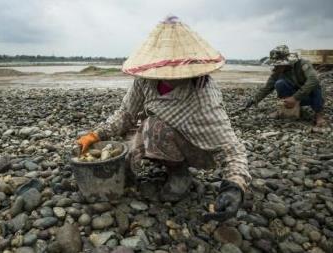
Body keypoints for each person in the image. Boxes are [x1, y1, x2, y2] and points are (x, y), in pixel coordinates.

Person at [77, 16, 251, 222]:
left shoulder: (202, 92)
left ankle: (180, 173)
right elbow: (126, 114)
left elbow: (230, 147)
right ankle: (155, 165)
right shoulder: (145, 81)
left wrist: (234, 187)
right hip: (164, 136)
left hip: (198, 148)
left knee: (153, 127)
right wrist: (95, 134)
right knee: (128, 137)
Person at [244, 45, 325, 126]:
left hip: (309, 97)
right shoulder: (278, 72)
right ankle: (288, 110)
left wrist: (295, 97)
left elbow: (313, 80)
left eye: (277, 65)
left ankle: (319, 115)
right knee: (280, 84)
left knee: (314, 86)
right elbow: (267, 88)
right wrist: (255, 100)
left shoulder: (302, 64)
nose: (275, 67)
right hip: (293, 98)